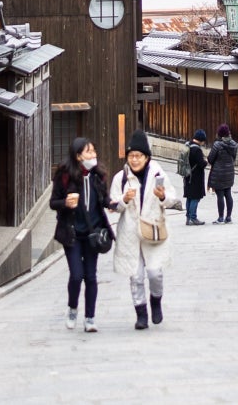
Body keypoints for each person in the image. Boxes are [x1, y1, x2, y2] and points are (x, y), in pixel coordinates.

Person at [50, 136, 115, 332]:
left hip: (92, 233)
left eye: (94, 152)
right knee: (76, 275)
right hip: (72, 233)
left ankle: (90, 318)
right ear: (78, 156)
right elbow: (53, 202)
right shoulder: (64, 175)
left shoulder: (98, 175)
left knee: (91, 276)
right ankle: (72, 308)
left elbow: (104, 200)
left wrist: (116, 203)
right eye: (89, 152)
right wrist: (65, 204)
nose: (93, 155)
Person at [109, 130, 172, 329]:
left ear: (147, 157)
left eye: (139, 156)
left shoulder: (158, 174)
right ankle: (141, 313)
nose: (134, 160)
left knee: (154, 273)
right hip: (129, 233)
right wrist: (123, 200)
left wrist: (162, 196)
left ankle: (156, 301)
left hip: (152, 231)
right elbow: (113, 205)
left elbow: (173, 199)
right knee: (135, 276)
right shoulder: (121, 178)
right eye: (131, 156)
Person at [207, 122, 238, 223]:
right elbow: (234, 158)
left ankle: (221, 217)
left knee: (220, 195)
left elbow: (210, 159)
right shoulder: (233, 144)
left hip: (218, 173)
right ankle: (228, 217)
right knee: (228, 194)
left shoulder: (217, 145)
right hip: (229, 172)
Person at [180, 130, 208, 225]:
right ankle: (193, 217)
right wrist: (206, 161)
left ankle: (188, 218)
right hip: (195, 177)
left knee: (189, 197)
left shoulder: (187, 146)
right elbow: (201, 164)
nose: (204, 143)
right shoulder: (197, 150)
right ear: (201, 140)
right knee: (195, 197)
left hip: (187, 176)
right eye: (203, 141)